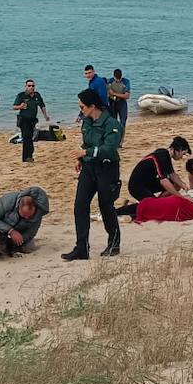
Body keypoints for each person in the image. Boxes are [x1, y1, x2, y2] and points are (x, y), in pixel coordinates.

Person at [63, 88, 123, 261]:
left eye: (82, 107)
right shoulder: (86, 122)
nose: (80, 110)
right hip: (89, 169)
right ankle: (81, 247)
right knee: (80, 205)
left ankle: (114, 243)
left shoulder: (112, 124)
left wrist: (85, 152)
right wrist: (80, 159)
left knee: (106, 206)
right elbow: (86, 143)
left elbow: (109, 149)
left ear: (92, 106)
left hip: (107, 169)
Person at [126, 136, 192, 203]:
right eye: (183, 154)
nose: (182, 157)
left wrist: (184, 185)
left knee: (176, 185)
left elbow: (172, 175)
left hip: (147, 183)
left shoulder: (165, 154)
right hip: (137, 187)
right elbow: (164, 181)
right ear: (178, 150)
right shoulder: (161, 157)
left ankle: (158, 202)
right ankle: (119, 211)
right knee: (152, 205)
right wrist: (180, 197)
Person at [0, 187, 50, 253]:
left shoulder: (38, 213)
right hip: (0, 229)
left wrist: (19, 239)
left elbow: (31, 233)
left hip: (20, 234)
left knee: (30, 247)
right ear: (18, 206)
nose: (27, 218)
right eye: (24, 215)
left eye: (30, 216)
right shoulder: (7, 200)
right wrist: (10, 231)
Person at [12, 79, 51, 162]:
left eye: (33, 86)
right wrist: (20, 107)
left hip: (32, 120)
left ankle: (29, 155)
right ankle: (26, 157)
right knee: (27, 137)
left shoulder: (37, 95)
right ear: (26, 87)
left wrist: (45, 115)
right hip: (23, 119)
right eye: (29, 86)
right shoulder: (21, 95)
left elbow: (42, 105)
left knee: (30, 137)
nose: (31, 87)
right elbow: (14, 107)